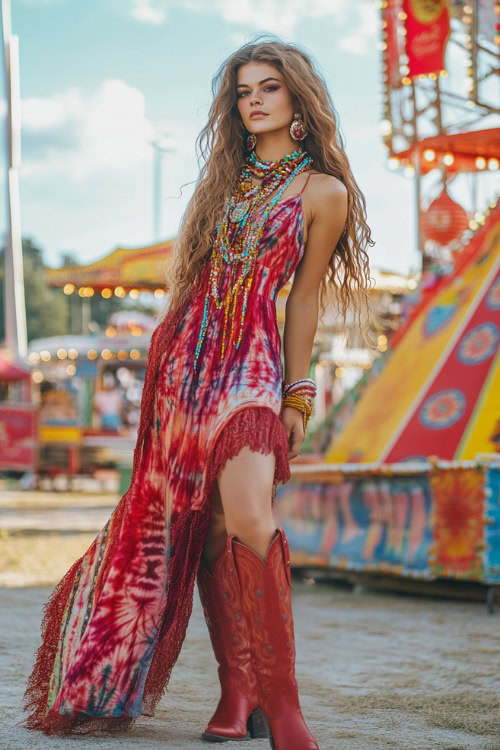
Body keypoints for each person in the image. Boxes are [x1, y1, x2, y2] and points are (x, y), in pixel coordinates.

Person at [22, 36, 374, 748]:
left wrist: (298, 395)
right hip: (185, 368)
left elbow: (302, 300)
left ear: (298, 100)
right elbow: (191, 288)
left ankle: (285, 703)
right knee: (206, 527)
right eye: (244, 91)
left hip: (252, 369)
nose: (254, 101)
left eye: (268, 88)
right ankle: (236, 688)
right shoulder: (224, 185)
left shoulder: (324, 193)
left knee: (250, 513)